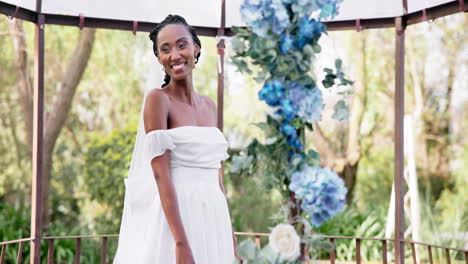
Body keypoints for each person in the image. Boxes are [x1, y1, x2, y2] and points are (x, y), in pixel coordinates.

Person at [113, 14, 237, 263]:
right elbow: (161, 174)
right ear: (159, 58)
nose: (175, 55)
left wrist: (230, 232)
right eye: (165, 49)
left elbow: (217, 175)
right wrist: (180, 242)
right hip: (178, 216)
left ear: (196, 48)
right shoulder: (158, 100)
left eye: (182, 45)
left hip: (213, 215)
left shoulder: (210, 106)